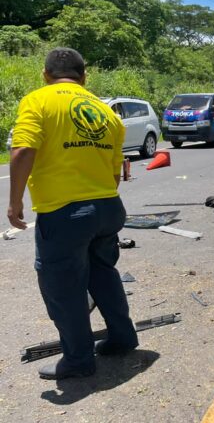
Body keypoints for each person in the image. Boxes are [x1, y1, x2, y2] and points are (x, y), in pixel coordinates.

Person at [7, 48, 138, 380]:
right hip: (108, 207)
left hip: (65, 213)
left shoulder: (38, 100)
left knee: (63, 288)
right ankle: (123, 337)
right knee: (103, 273)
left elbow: (23, 151)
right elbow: (113, 174)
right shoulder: (106, 112)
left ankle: (78, 360)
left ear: (45, 74)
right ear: (85, 76)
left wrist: (15, 202)